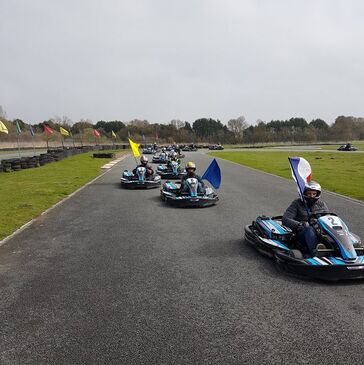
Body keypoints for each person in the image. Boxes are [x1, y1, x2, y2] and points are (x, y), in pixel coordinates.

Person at [282, 181, 329, 256]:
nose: (312, 196)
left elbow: (327, 219)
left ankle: (346, 250)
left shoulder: (322, 204)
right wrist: (300, 224)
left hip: (319, 231)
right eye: (309, 194)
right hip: (302, 233)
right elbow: (286, 219)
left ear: (317, 194)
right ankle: (315, 252)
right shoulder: (297, 203)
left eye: (314, 194)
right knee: (309, 229)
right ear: (304, 193)